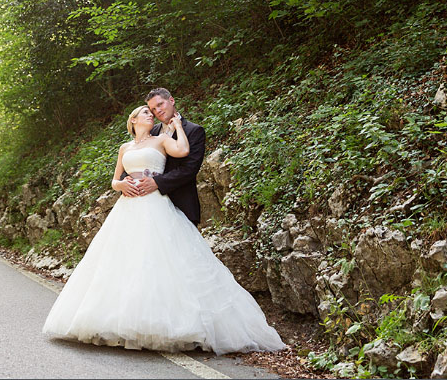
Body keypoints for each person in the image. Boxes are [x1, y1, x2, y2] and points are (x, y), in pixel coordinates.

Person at [42, 103, 285, 354]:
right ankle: (115, 321)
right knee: (122, 260)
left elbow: (183, 151)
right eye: (146, 112)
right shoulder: (124, 148)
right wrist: (121, 186)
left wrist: (178, 126)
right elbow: (114, 179)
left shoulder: (162, 140)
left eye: (153, 111)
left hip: (154, 203)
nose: (152, 114)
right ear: (133, 120)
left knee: (156, 259)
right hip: (127, 207)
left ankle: (164, 324)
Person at [118, 88, 205, 226]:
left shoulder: (194, 131)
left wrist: (157, 182)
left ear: (171, 100)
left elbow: (189, 169)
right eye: (153, 109)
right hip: (144, 206)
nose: (157, 110)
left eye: (160, 104)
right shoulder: (151, 130)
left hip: (181, 203)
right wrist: (125, 183)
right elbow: (133, 160)